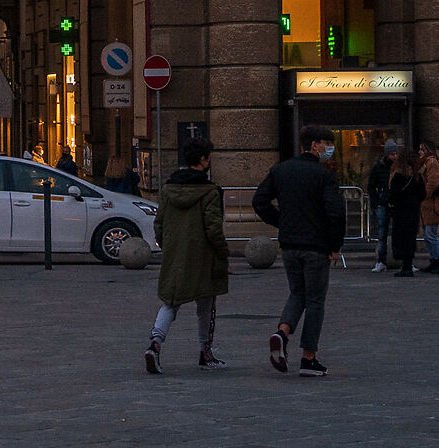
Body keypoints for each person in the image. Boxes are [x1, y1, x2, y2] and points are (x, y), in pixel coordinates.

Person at [252, 123, 345, 377]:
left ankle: (281, 332)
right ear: (314, 145)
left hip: (289, 245)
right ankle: (308, 357)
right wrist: (334, 245)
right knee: (315, 300)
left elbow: (259, 201)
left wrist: (281, 221)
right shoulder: (324, 176)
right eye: (327, 145)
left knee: (297, 293)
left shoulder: (281, 170)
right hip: (316, 246)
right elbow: (336, 212)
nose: (330, 150)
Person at [144, 138, 229, 374]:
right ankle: (205, 352)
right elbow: (213, 228)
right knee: (206, 304)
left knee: (171, 302)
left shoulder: (169, 189)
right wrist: (223, 253)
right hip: (203, 258)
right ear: (203, 159)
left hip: (176, 255)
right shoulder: (210, 192)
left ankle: (155, 344)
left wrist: (168, 245)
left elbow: (159, 223)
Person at [388, 144, 425, 277]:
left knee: (401, 237)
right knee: (410, 237)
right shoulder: (416, 176)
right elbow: (423, 193)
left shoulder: (397, 175)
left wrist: (394, 203)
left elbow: (393, 194)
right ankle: (408, 265)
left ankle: (405, 266)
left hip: (400, 210)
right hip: (413, 210)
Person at [416, 141, 439, 274]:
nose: (419, 152)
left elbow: (432, 183)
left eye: (421, 149)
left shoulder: (431, 162)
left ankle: (438, 261)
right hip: (426, 205)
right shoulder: (425, 162)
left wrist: (423, 196)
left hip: (430, 204)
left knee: (430, 234)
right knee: (428, 235)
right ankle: (434, 261)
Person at [368, 137, 397, 272]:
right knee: (382, 234)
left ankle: (403, 260)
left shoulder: (398, 167)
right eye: (392, 154)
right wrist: (376, 203)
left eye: (396, 154)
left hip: (395, 203)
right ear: (387, 154)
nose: (395, 156)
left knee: (398, 233)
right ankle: (381, 260)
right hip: (384, 203)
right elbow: (371, 186)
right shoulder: (379, 168)